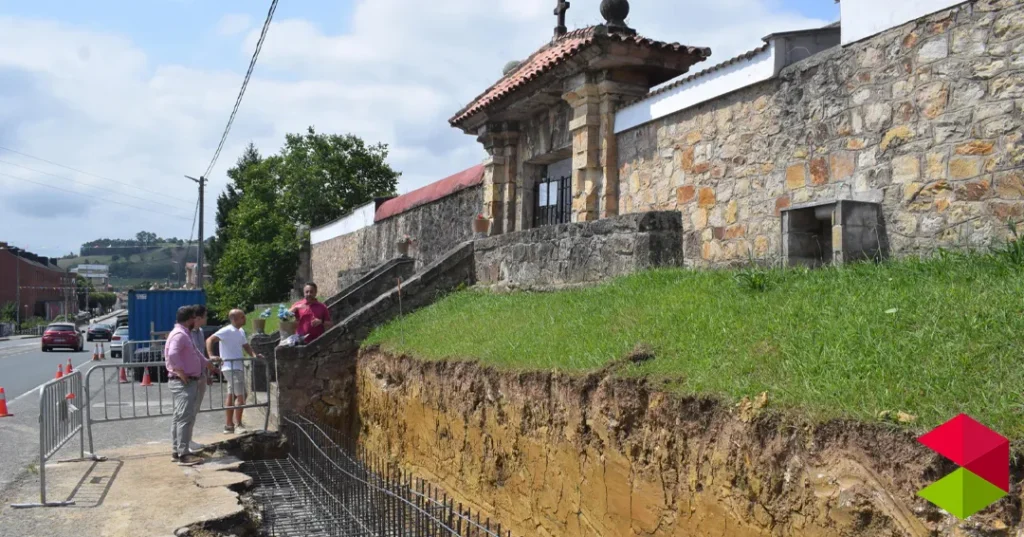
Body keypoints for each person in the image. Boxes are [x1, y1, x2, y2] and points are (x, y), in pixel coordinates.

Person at [207, 309, 263, 434]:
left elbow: (245, 345)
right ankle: (238, 424)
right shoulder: (226, 330)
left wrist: (253, 355)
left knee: (232, 395)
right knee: (241, 395)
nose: (245, 318)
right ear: (234, 319)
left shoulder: (241, 331)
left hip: (236, 366)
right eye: (242, 317)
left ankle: (229, 425)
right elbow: (210, 340)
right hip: (230, 367)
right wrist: (211, 355)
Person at [165, 306, 207, 466]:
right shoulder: (180, 335)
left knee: (179, 417)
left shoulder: (184, 334)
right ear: (190, 318)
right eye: (194, 318)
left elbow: (196, 353)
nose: (196, 321)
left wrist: (208, 365)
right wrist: (180, 372)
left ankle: (177, 451)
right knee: (184, 418)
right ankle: (183, 454)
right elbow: (173, 354)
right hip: (183, 382)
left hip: (184, 381)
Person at [188, 305, 212, 452]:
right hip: (191, 377)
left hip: (201, 376)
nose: (206, 318)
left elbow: (201, 353)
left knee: (194, 410)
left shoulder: (200, 332)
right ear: (198, 318)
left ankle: (189, 440)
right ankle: (184, 442)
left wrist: (207, 374)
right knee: (187, 411)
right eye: (205, 316)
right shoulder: (187, 333)